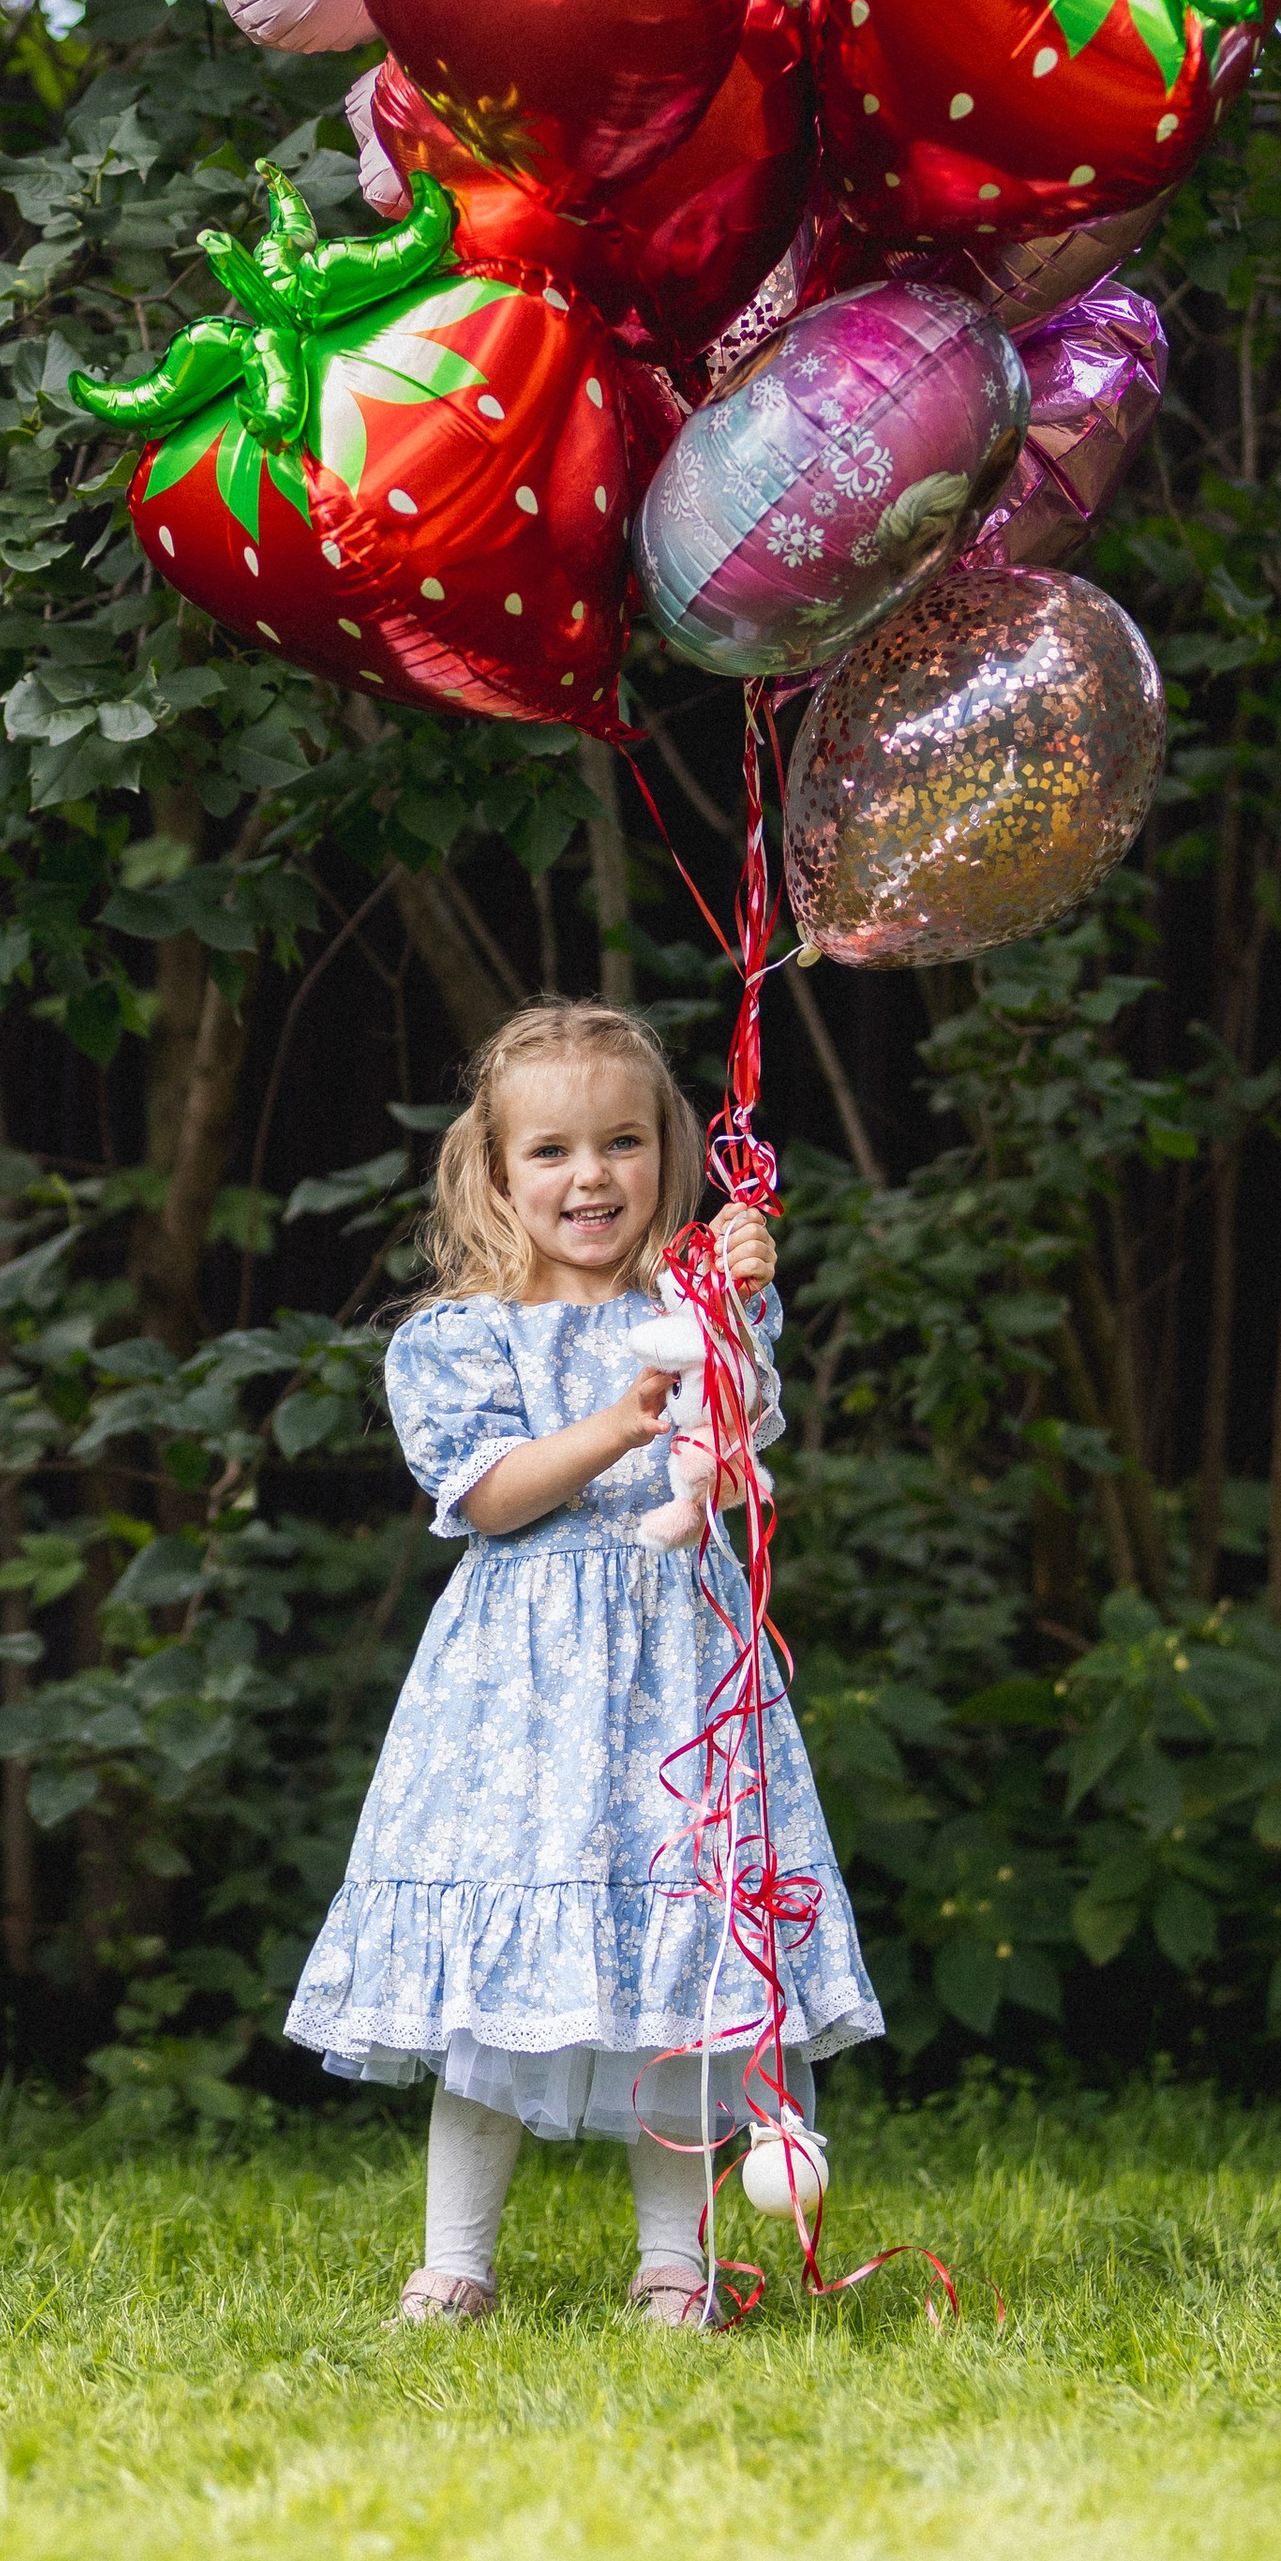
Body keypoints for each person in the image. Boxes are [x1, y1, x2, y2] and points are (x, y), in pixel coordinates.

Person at [284, 998, 881, 2329]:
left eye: (622, 1142)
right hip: (520, 1693)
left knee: (679, 1958)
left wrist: (742, 1302)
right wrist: (618, 1417)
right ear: (495, 1174)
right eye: (550, 1151)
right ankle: (458, 2262)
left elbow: (736, 1454)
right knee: (495, 1981)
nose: (590, 1176)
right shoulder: (457, 1337)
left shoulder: (693, 1310)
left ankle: (677, 2264)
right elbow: (492, 1498)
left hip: (679, 1667)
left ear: (669, 1152)